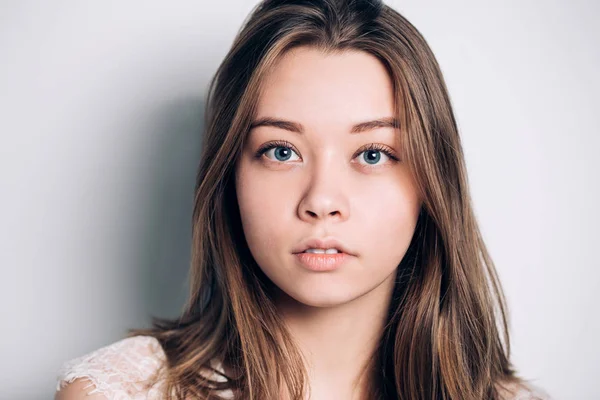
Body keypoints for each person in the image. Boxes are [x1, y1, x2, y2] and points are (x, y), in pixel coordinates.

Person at [55, 0, 552, 399]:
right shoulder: (118, 392)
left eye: (374, 154)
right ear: (229, 174)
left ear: (431, 183)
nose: (322, 201)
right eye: (281, 150)